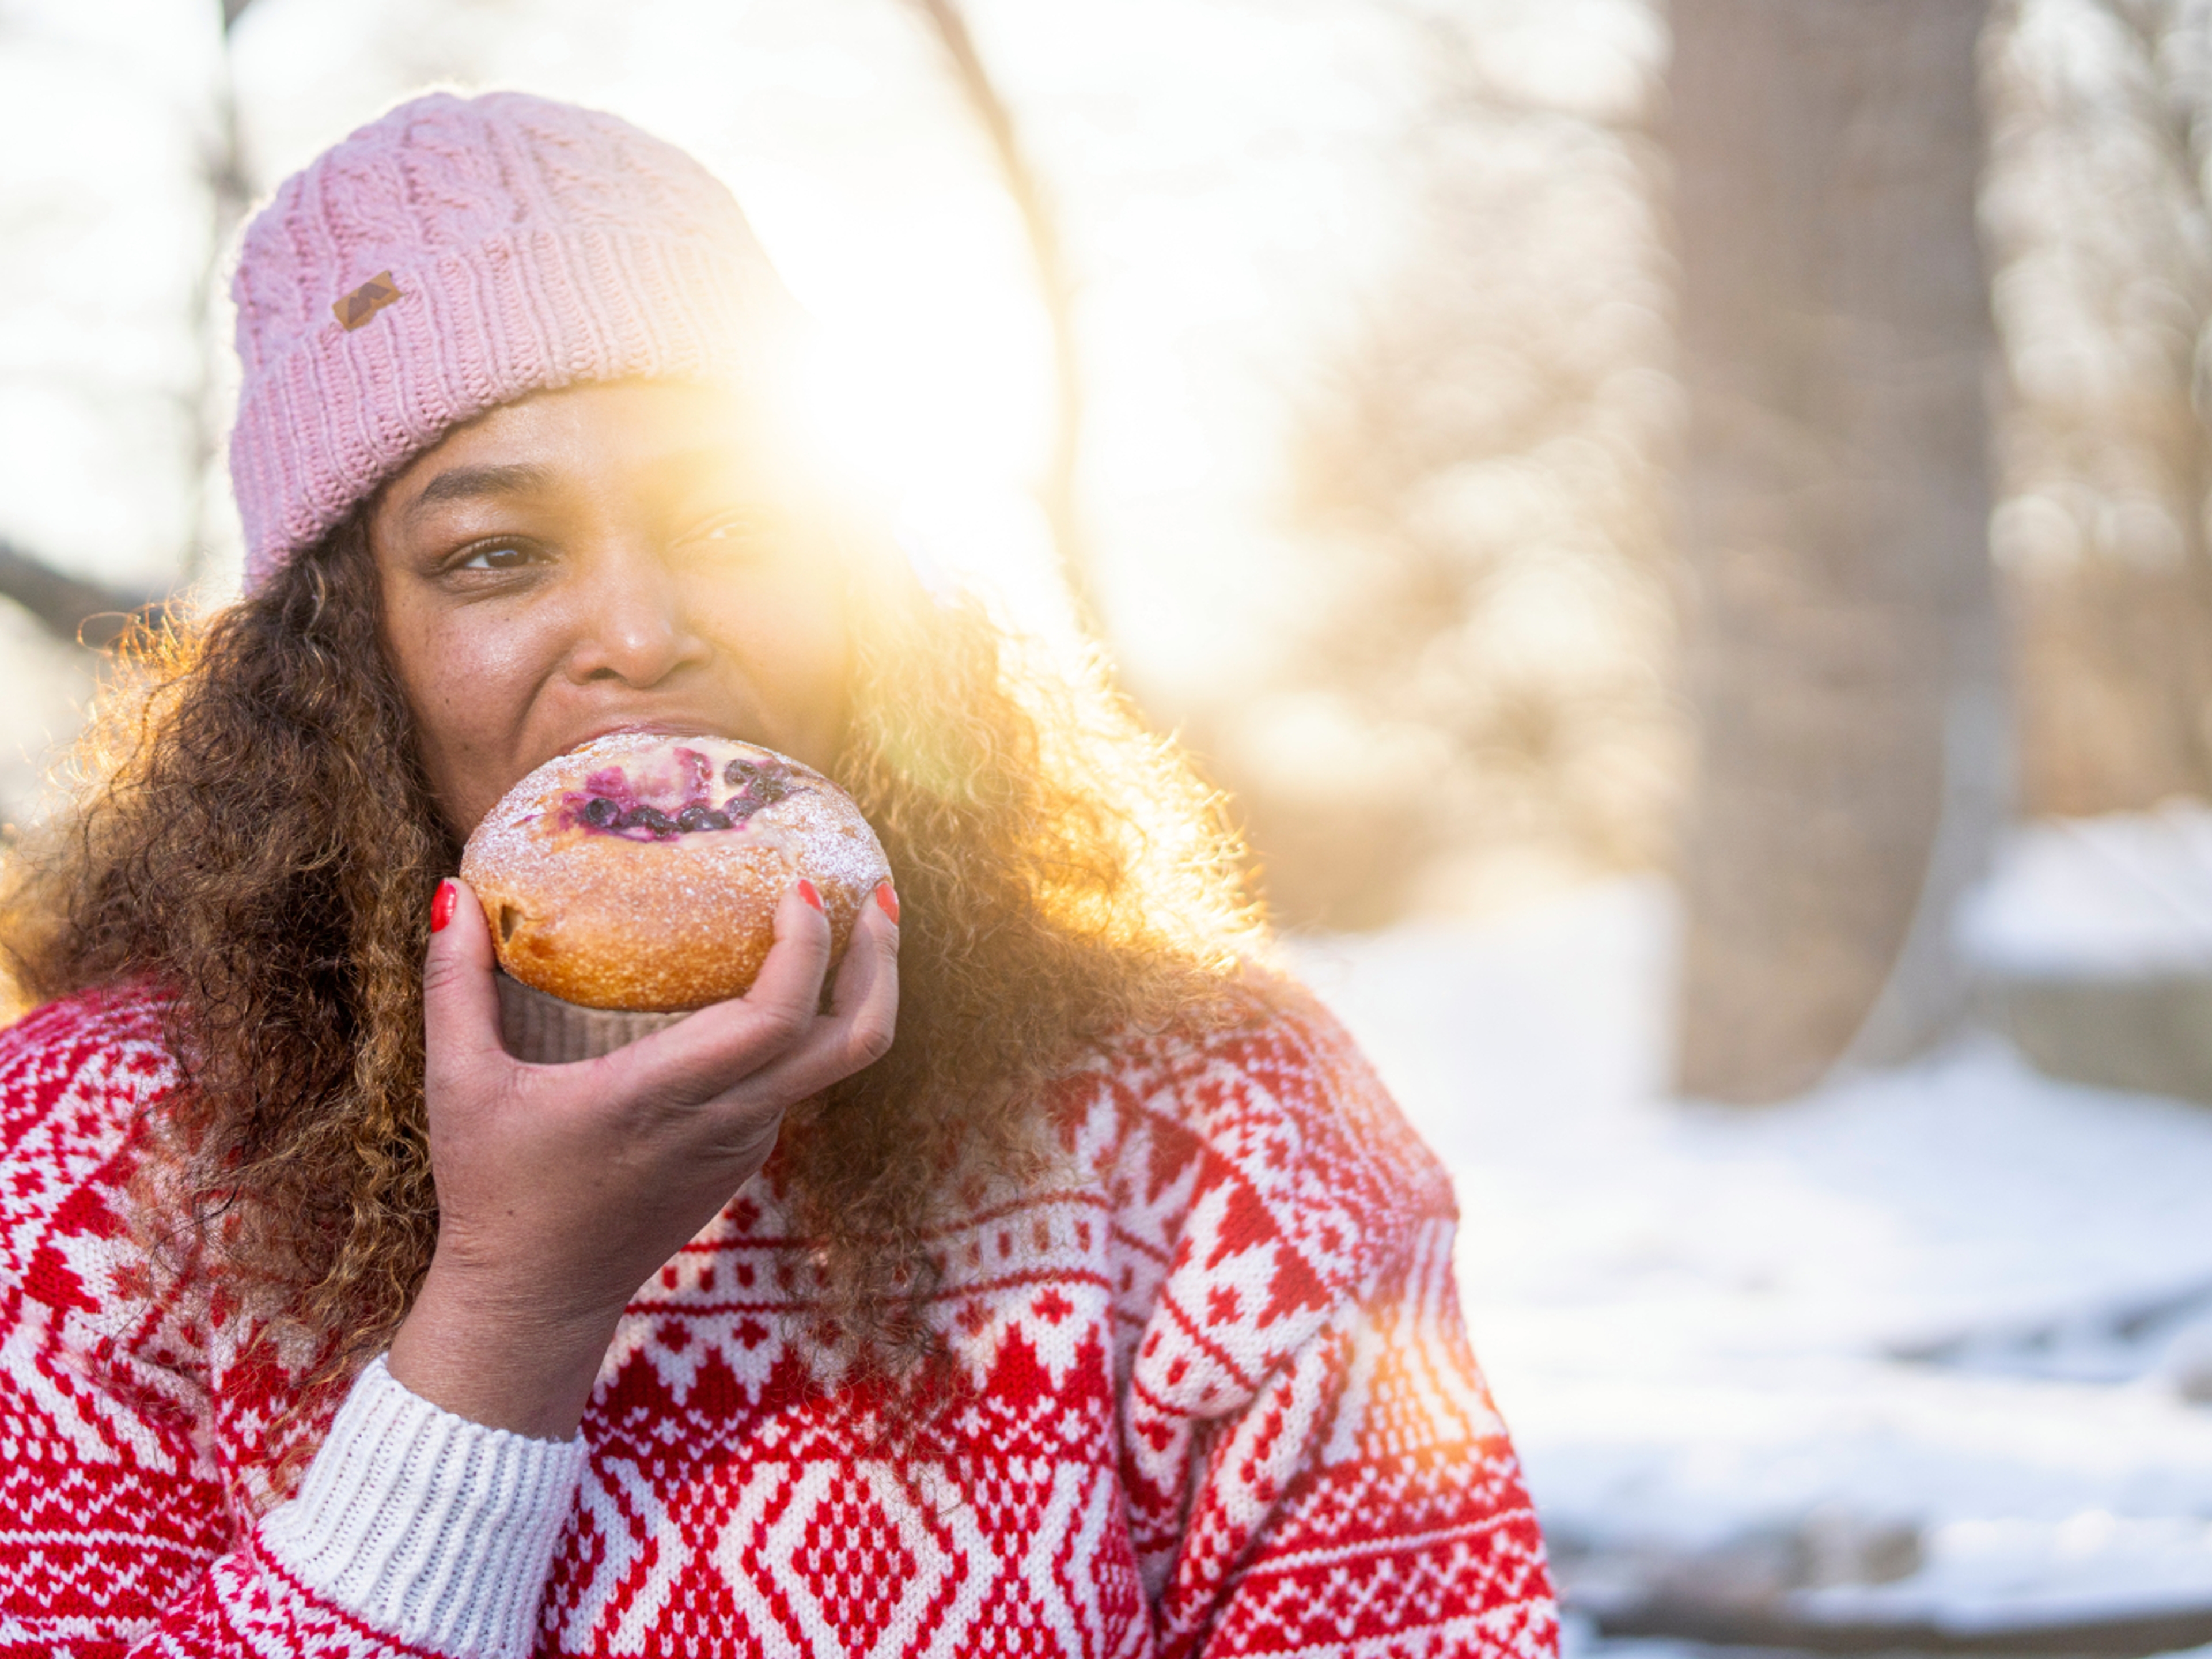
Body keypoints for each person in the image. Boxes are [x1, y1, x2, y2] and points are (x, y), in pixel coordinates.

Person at [0, 90, 1556, 1658]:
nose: (640, 630)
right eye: (495, 555)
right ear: (342, 658)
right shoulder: (86, 1171)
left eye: (736, 520)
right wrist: (512, 1307)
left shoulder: (1229, 1128)